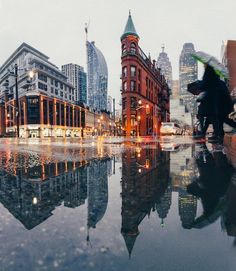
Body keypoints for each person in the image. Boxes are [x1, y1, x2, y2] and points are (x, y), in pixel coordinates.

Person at [194, 65, 234, 143]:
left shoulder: (214, 83)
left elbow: (205, 88)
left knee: (221, 120)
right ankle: (217, 135)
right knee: (219, 120)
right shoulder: (219, 83)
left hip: (220, 106)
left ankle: (216, 135)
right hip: (219, 106)